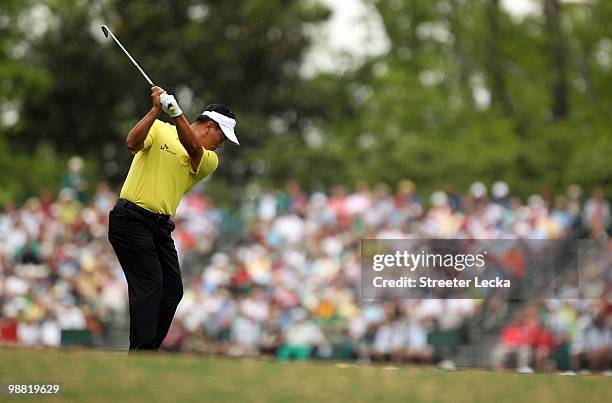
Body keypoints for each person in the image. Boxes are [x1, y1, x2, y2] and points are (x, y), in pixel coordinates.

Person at [108, 86, 239, 351]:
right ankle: (142, 352)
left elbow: (192, 146)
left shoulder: (208, 159)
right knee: (151, 284)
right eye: (221, 138)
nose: (220, 145)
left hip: (159, 227)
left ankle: (149, 348)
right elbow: (132, 143)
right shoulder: (159, 129)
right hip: (130, 219)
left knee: (172, 291)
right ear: (210, 127)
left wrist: (176, 113)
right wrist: (156, 110)